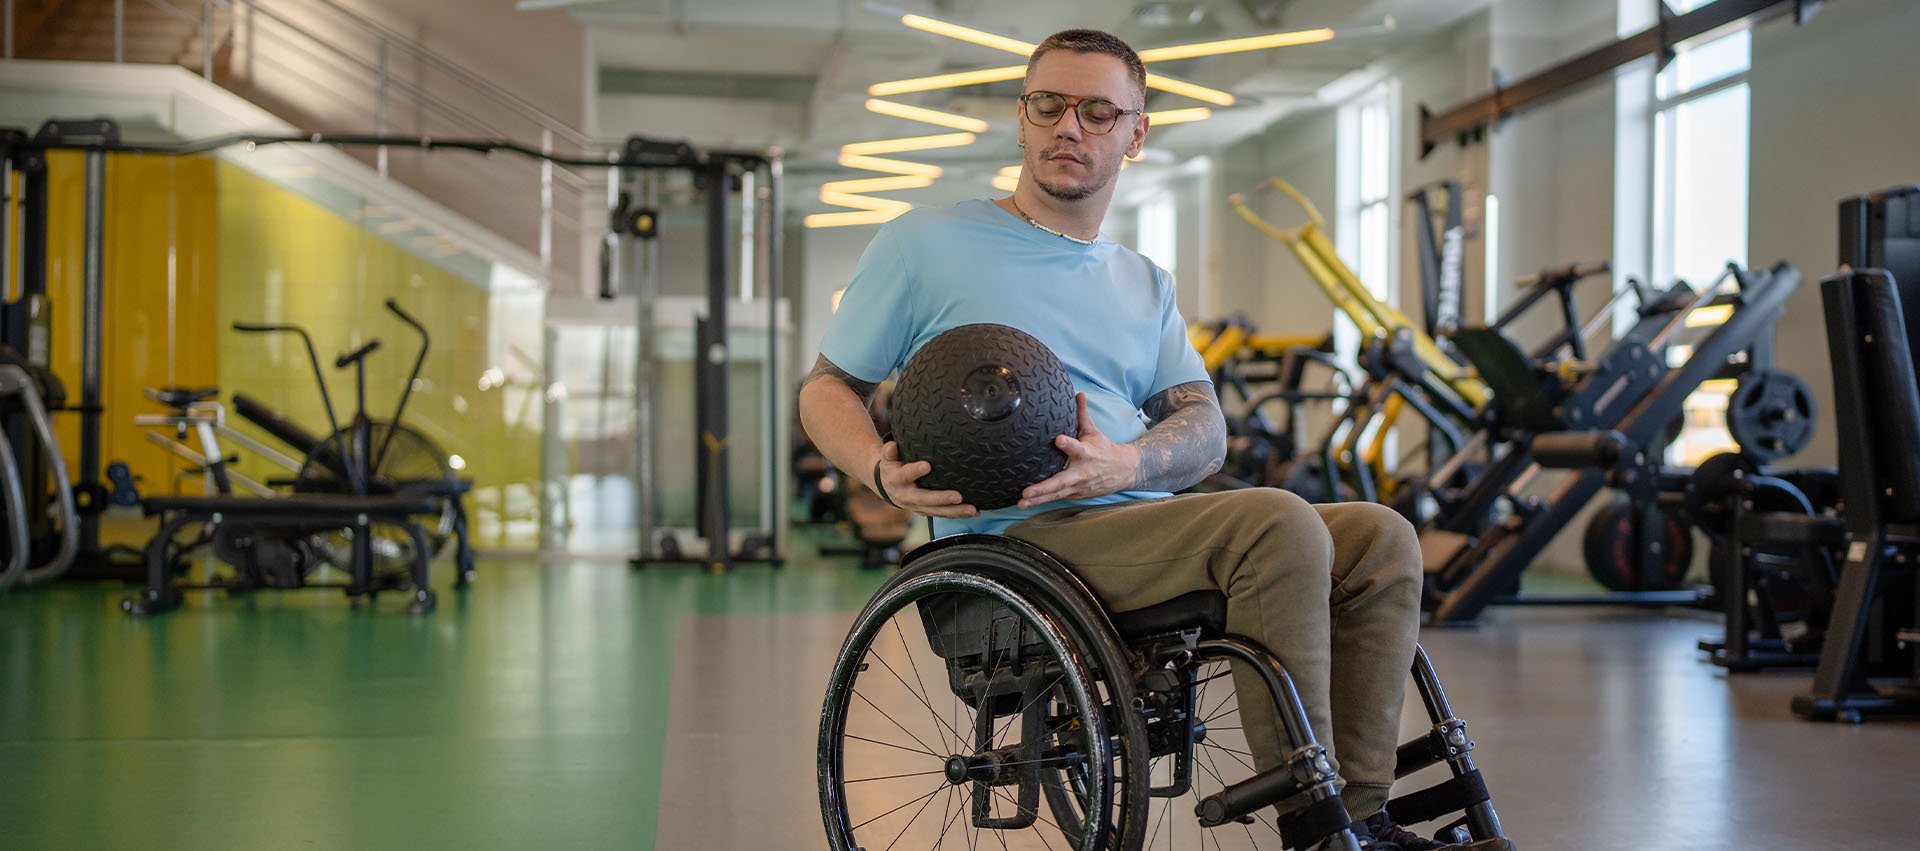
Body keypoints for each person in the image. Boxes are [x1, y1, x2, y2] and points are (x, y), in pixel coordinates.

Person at [798, 28, 1510, 851]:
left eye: (1099, 111)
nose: (1071, 126)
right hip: (1019, 542)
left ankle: (1362, 811)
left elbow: (1204, 429)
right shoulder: (925, 244)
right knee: (1276, 522)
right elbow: (827, 388)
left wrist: (1126, 462)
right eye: (1049, 105)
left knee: (1382, 536)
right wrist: (879, 473)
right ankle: (1315, 828)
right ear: (1021, 121)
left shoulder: (1143, 282)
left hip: (1137, 520)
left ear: (1135, 134)